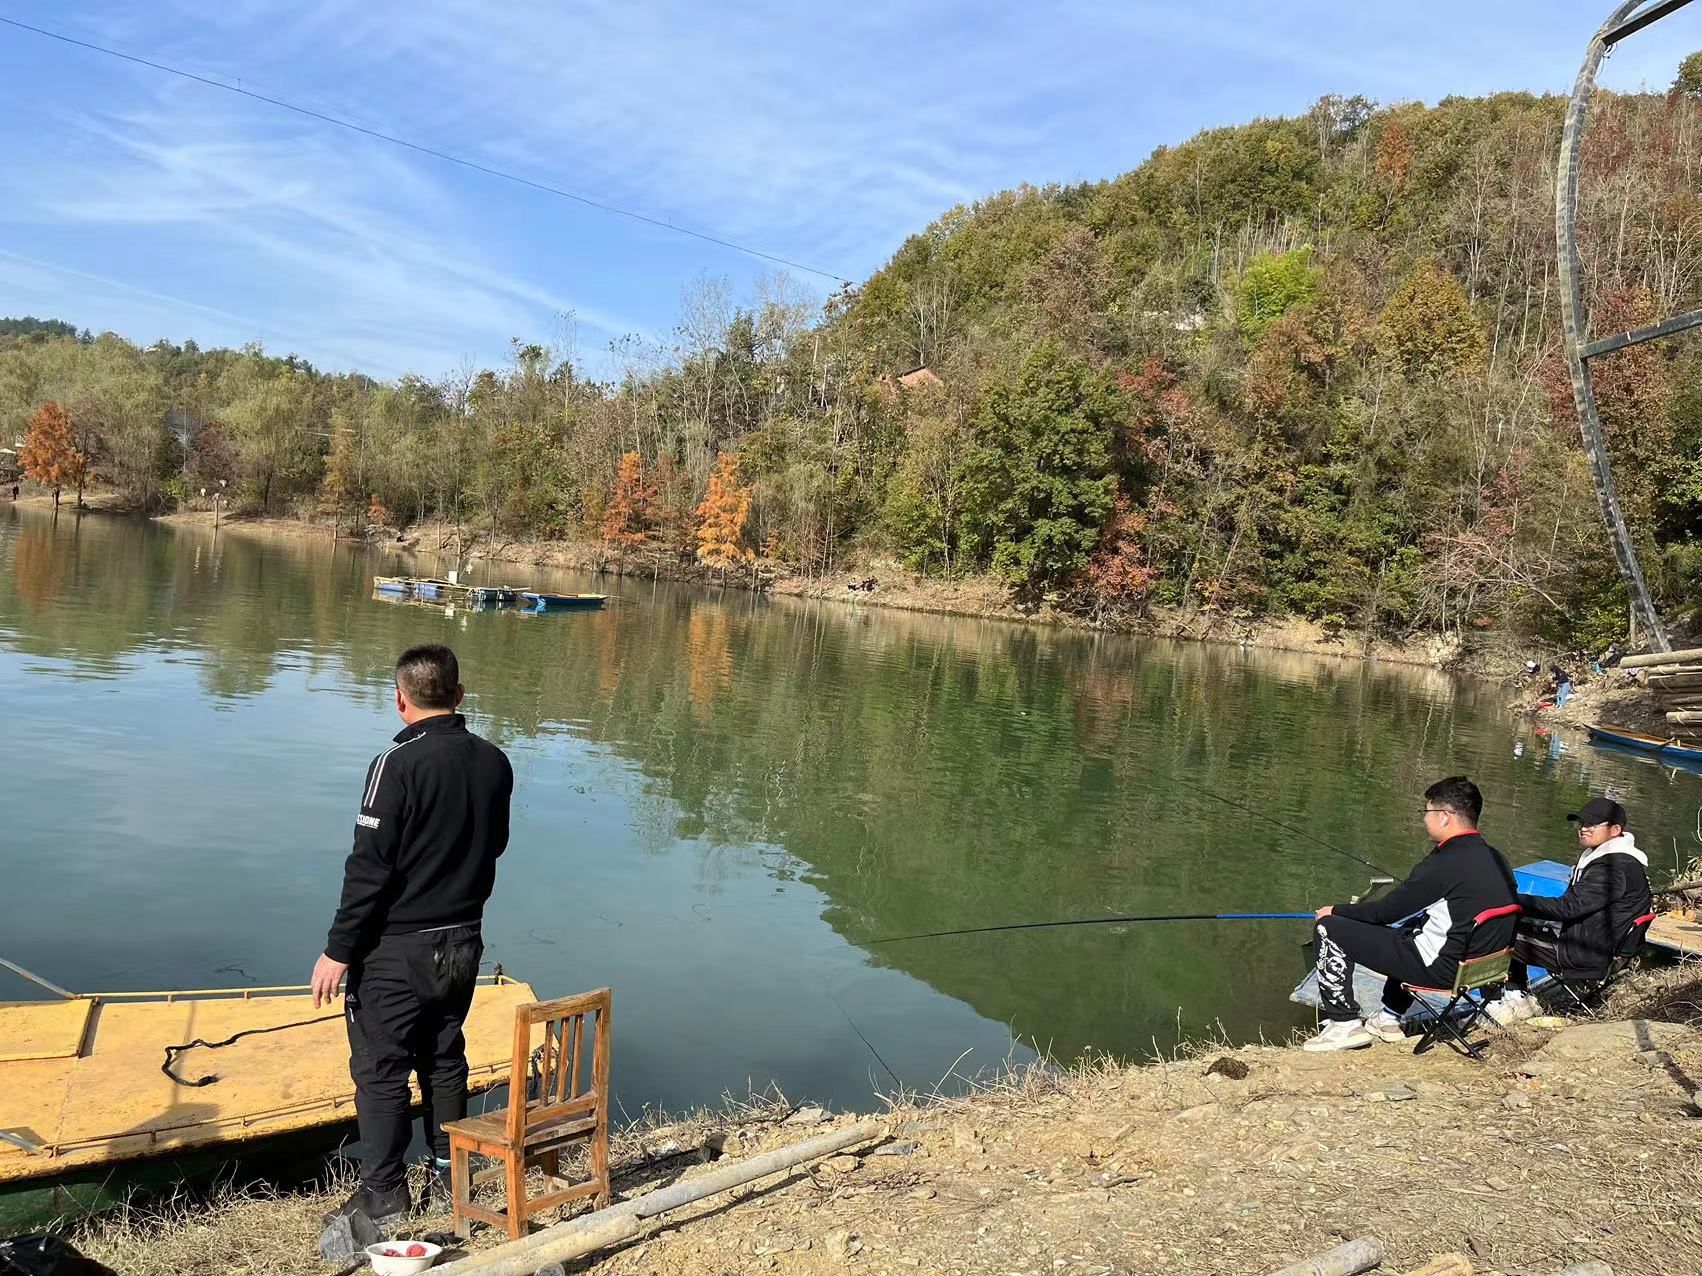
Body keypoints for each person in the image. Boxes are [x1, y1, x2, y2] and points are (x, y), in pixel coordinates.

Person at [310, 644, 514, 1226]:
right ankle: (453, 1177)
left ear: (400, 700)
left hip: (398, 948)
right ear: (459, 694)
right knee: (444, 1055)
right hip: (463, 939)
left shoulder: (394, 765)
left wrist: (338, 950)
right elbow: (495, 844)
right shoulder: (495, 761)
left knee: (380, 1067)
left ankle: (384, 1193)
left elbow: (368, 867)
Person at [1303, 776, 1518, 1052]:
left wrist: (1334, 911)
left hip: (1441, 971)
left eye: (1426, 812)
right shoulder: (1497, 858)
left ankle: (1344, 1025)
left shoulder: (1445, 861)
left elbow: (1386, 912)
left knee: (1329, 929)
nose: (1424, 819)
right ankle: (1388, 1018)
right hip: (1481, 969)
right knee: (1413, 928)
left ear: (1444, 817)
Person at [1486, 796, 1652, 1025]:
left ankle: (1500, 1005)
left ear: (1615, 830)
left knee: (1496, 930)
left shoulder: (1613, 868)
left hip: (1587, 953)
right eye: (1582, 823)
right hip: (1601, 943)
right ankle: (1518, 994)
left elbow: (1568, 908)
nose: (1583, 828)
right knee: (1514, 922)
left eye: (1592, 824)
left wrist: (1512, 901)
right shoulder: (1617, 859)